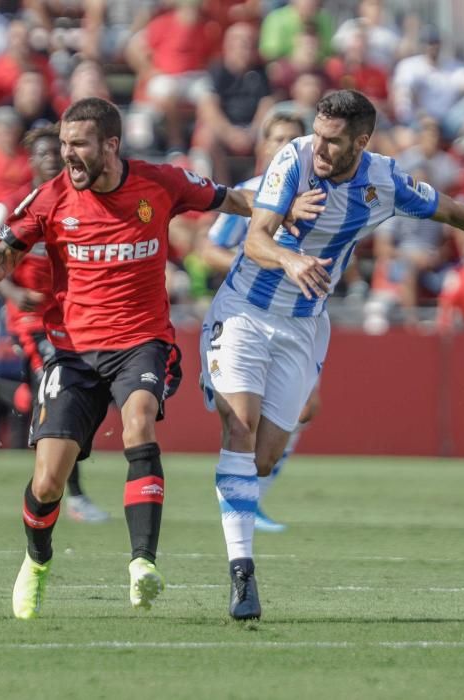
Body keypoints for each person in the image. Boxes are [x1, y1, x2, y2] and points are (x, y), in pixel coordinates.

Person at [201, 89, 464, 620]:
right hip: (244, 313)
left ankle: (240, 515)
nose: (320, 149)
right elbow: (255, 238)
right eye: (318, 135)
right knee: (239, 429)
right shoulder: (293, 158)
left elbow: (449, 210)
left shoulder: (383, 180)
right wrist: (289, 258)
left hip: (303, 326)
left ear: (361, 141)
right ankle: (242, 575)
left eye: (332, 141)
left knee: (259, 458)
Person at [0, 97, 267, 620]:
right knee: (48, 481)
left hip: (141, 341)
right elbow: (7, 251)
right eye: (64, 144)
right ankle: (36, 561)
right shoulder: (49, 198)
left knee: (139, 421)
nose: (68, 155)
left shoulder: (161, 184)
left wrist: (284, 211)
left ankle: (142, 564)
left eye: (79, 145)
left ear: (110, 146)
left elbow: (230, 199)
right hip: (71, 352)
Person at [199, 109, 318, 533]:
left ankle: (252, 494)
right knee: (241, 420)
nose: (284, 147)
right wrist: (252, 261)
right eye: (277, 139)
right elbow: (208, 248)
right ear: (263, 146)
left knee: (303, 410)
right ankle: (244, 504)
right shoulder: (250, 193)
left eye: (293, 139)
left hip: (300, 319)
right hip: (246, 316)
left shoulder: (319, 197)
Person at [0, 123, 110, 523]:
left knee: (74, 395)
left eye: (52, 152)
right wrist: (9, 292)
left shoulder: (81, 199)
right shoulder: (15, 204)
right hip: (30, 319)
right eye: (40, 152)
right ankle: (74, 495)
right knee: (59, 395)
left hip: (74, 318)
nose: (48, 158)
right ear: (30, 159)